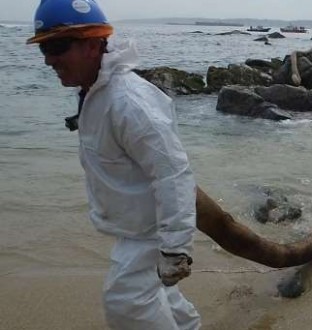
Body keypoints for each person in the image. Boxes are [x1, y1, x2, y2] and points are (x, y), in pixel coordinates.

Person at [26, 0, 201, 328]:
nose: (50, 60)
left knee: (128, 302)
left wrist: (175, 247)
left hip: (150, 233)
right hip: (137, 229)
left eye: (58, 46)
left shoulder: (128, 102)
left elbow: (173, 174)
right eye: (44, 49)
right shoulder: (94, 92)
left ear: (93, 45)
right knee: (161, 297)